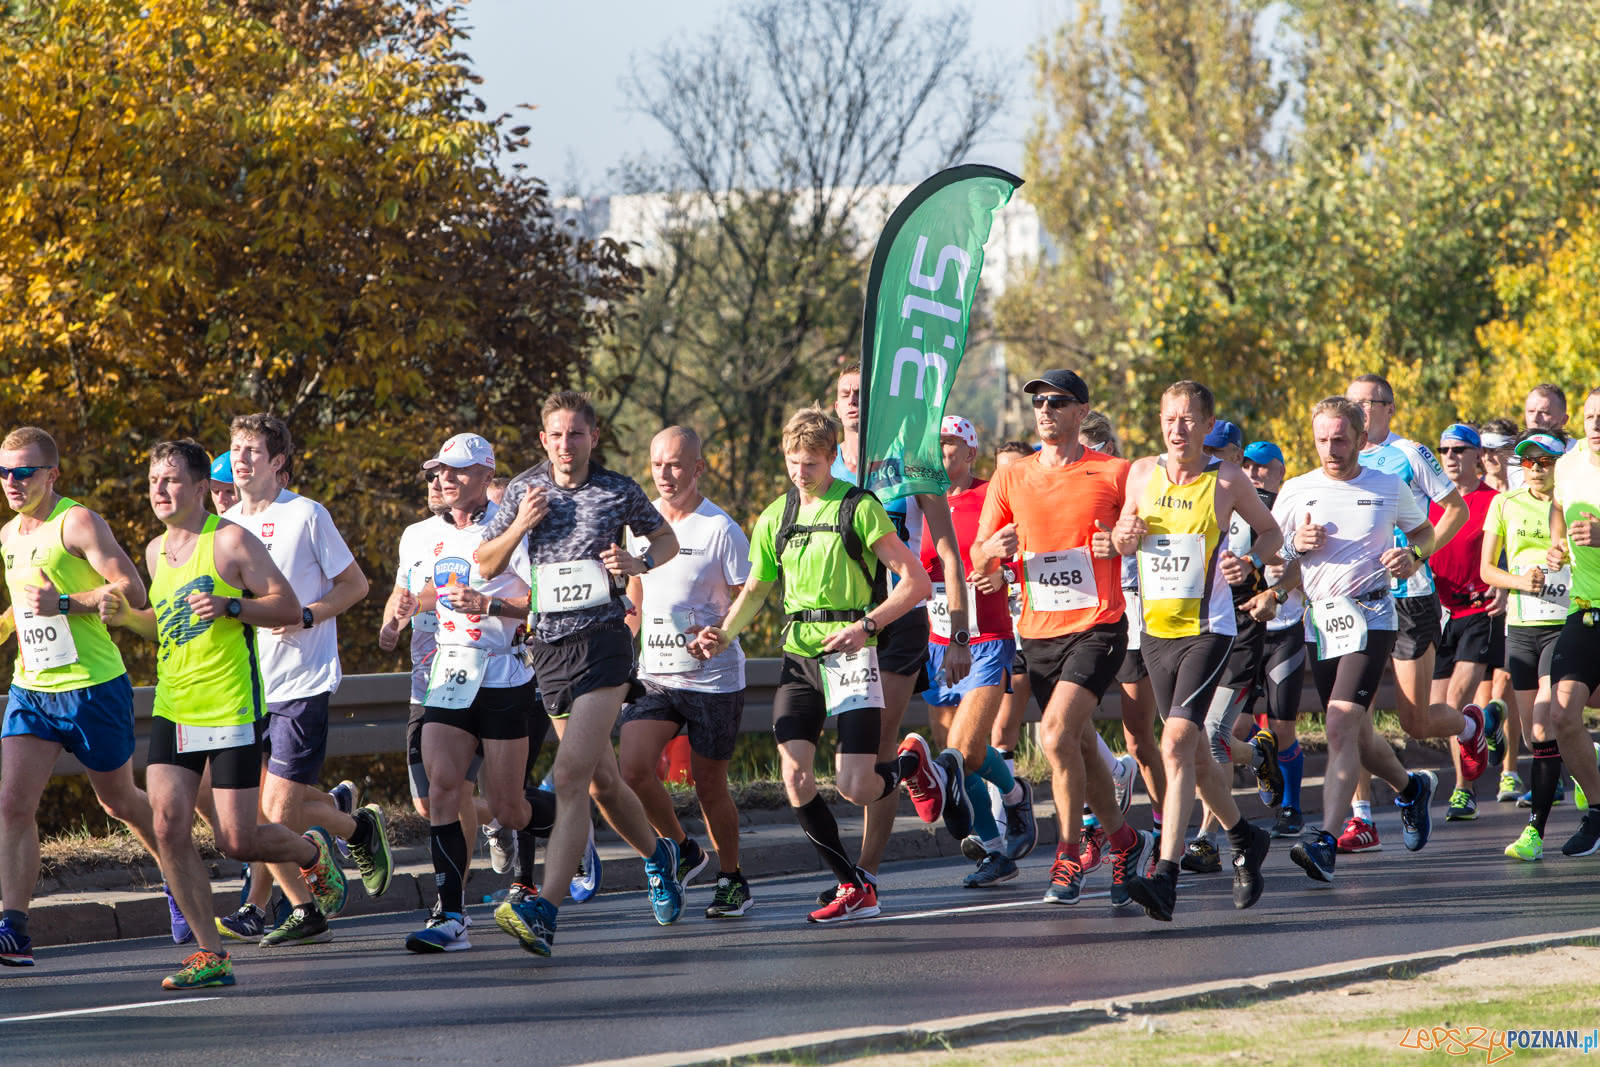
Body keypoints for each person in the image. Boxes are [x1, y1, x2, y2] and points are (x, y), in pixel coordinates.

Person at [101, 440, 347, 988]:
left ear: (196, 488)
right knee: (168, 827)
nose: (158, 491)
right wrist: (127, 616)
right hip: (174, 705)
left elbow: (287, 606)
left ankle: (311, 852)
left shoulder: (231, 541)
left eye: (169, 481)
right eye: (152, 481)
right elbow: (161, 626)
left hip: (230, 705)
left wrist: (233, 605)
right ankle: (210, 956)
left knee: (237, 841)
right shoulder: (153, 552)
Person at [690, 405, 933, 922]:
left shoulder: (858, 507)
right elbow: (756, 590)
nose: (802, 474)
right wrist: (722, 634)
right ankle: (852, 885)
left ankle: (914, 764)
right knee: (796, 776)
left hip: (852, 653)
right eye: (794, 463)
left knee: (855, 785)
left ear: (831, 460)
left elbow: (916, 583)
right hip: (800, 657)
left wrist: (867, 626)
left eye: (813, 465)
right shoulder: (776, 516)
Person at [478, 391, 687, 954]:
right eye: (557, 436)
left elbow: (665, 538)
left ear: (593, 437)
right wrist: (520, 523)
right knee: (601, 782)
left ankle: (545, 910)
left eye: (577, 434)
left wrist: (639, 562)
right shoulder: (525, 489)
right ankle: (661, 854)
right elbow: (484, 563)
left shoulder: (618, 489)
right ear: (543, 440)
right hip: (549, 649)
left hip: (605, 645)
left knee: (568, 778)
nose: (567, 446)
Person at [971, 370, 1153, 907]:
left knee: (1053, 737)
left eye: (1057, 402)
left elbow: (1145, 528)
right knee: (1074, 745)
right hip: (1039, 630)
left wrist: (1123, 538)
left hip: (1098, 624)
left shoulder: (1113, 472)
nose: (1045, 410)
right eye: (1038, 402)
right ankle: (1125, 840)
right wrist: (993, 549)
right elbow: (979, 552)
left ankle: (1069, 853)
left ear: (1081, 412)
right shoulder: (1012, 477)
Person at [1113, 380, 1282, 922]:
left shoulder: (1227, 478)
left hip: (1208, 629)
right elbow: (1121, 534)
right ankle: (1242, 835)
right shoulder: (1141, 473)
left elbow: (1272, 534)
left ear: (1208, 427)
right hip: (1156, 631)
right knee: (1192, 755)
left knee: (1178, 741)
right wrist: (1124, 534)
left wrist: (1249, 562)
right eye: (1169, 418)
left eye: (1188, 419)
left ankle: (1165, 875)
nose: (1177, 428)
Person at [217, 414, 388, 939]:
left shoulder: (306, 515)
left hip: (302, 680)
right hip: (246, 684)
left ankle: (270, 905)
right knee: (260, 810)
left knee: (275, 809)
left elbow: (355, 585)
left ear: (277, 462)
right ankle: (349, 821)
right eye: (235, 448)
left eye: (252, 450)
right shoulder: (222, 529)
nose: (241, 458)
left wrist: (308, 614)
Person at [0, 427, 162, 967]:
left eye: (24, 471)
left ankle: (179, 879)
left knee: (119, 802)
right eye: (3, 472)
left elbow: (132, 590)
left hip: (93, 687)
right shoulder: (8, 535)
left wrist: (66, 601)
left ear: (52, 474)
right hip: (32, 688)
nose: (12, 482)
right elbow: (25, 606)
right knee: (11, 804)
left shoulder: (78, 521)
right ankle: (14, 928)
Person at [1264, 399, 1442, 884]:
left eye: (1341, 439)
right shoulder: (1299, 490)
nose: (1331, 449)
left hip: (1373, 614)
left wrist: (1413, 557)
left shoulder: (1387, 486)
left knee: (1341, 724)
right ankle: (1410, 789)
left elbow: (1424, 530)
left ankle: (1325, 839)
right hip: (1321, 620)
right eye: (1322, 439)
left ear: (1362, 438)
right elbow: (1269, 555)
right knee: (1357, 734)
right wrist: (1291, 548)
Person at [399, 432, 558, 953]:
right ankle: (451, 917)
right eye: (439, 471)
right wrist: (404, 609)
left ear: (487, 476)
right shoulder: (424, 535)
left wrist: (491, 608)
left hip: (504, 674)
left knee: (509, 810)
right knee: (444, 790)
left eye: (457, 471)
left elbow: (542, 609)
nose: (444, 480)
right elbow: (426, 594)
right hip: (448, 674)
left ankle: (573, 822)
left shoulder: (514, 527)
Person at [826, 365, 973, 912]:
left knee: (879, 744)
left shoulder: (914, 459)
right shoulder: (825, 464)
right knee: (854, 775)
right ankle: (916, 768)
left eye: (863, 394)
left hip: (902, 620)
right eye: (845, 395)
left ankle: (864, 877)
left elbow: (951, 556)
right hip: (844, 627)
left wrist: (957, 631)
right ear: (834, 403)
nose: (854, 403)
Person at [618, 426, 756, 919]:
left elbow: (751, 593)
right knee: (632, 767)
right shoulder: (641, 525)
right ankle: (684, 848)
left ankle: (732, 877)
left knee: (708, 784)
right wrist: (620, 640)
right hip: (656, 676)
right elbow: (636, 597)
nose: (666, 474)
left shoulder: (720, 529)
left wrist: (720, 630)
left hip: (712, 679)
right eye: (657, 465)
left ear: (697, 468)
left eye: (676, 465)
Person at [1342, 373, 1470, 852]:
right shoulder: (1337, 462)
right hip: (1357, 601)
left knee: (1414, 723)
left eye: (1367, 403)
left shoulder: (1410, 454)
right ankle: (1362, 820)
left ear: (1388, 409)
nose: (1358, 411)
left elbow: (1455, 509)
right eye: (1350, 402)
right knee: (1352, 714)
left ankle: (1476, 726)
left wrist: (1418, 556)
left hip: (1411, 598)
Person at [917, 415, 1036, 888]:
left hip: (988, 636)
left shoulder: (992, 496)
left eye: (950, 446)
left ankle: (1013, 792)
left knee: (963, 749)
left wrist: (1004, 574)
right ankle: (993, 850)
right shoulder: (917, 502)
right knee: (955, 753)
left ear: (969, 454)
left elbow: (1031, 550)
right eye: (935, 446)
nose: (941, 455)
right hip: (937, 640)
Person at [377, 463, 493, 899]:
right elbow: (401, 593)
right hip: (426, 678)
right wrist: (392, 623)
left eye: (445, 476)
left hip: (476, 671)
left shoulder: (485, 531)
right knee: (427, 801)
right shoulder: (415, 535)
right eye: (428, 477)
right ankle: (502, 819)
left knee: (455, 787)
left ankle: (453, 899)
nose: (435, 485)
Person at [1185, 421, 1283, 873]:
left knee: (1211, 734)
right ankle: (1258, 752)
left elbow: (1291, 562)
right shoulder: (1187, 497)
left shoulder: (1258, 503)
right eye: (1204, 450)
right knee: (1208, 737)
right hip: (1198, 629)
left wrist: (1271, 592)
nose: (1210, 458)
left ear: (1237, 455)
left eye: (1219, 452)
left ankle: (1208, 838)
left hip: (1243, 630)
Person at [1481, 429, 1570, 860]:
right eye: (1529, 461)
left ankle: (1534, 832)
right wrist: (1520, 581)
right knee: (1533, 735)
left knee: (1541, 724)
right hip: (1520, 627)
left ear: (1560, 462)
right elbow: (1486, 570)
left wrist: (1566, 554)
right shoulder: (1504, 503)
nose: (1536, 469)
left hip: (1563, 623)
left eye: (1546, 460)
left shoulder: (1573, 501)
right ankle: (1581, 752)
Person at [1426, 423, 1505, 822]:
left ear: (1478, 456)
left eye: (1459, 450)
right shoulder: (1428, 499)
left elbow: (1515, 549)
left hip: (1478, 610)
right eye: (1444, 450)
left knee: (1456, 703)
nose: (1451, 457)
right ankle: (1488, 718)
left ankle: (1463, 790)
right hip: (1439, 615)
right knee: (1433, 713)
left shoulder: (1495, 501)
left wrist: (1505, 586)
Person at [1538, 388, 1600, 856]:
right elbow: (1559, 508)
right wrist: (1557, 544)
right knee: (1561, 715)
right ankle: (1598, 811)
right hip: (1586, 609)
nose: (1595, 425)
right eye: (1589, 417)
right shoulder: (1571, 463)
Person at [1241, 440, 1308, 837]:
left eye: (1263, 467)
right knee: (1234, 727)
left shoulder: (1296, 507)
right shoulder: (1232, 505)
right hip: (1245, 630)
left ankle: (1291, 808)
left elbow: (1303, 566)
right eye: (1248, 464)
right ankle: (1260, 756)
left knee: (1283, 727)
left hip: (1284, 629)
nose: (1254, 472)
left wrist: (1284, 565)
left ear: (1281, 471)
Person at [1476, 416, 1523, 802]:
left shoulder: (1526, 492)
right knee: (1484, 690)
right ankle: (1490, 756)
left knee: (1504, 686)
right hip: (1477, 605)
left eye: (1499, 447)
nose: (1491, 455)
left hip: (1520, 599)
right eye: (1485, 447)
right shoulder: (1471, 494)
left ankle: (1510, 772)